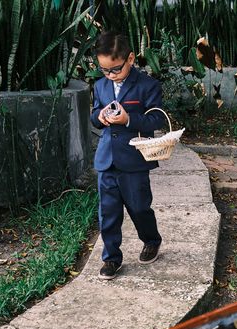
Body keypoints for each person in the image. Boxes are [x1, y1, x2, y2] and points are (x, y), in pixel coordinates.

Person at [90, 31, 165, 280]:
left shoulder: (147, 85)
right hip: (106, 160)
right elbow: (93, 115)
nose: (110, 75)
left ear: (130, 58)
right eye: (104, 70)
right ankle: (111, 258)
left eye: (115, 69)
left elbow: (155, 119)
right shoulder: (100, 86)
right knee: (108, 213)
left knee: (139, 207)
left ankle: (151, 240)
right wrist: (100, 117)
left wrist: (129, 119)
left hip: (134, 160)